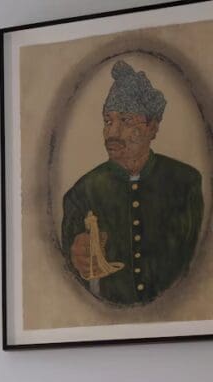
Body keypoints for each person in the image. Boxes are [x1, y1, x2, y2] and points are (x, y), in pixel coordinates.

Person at [61, 59, 203, 306]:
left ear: (152, 127)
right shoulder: (81, 192)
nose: (112, 133)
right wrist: (77, 256)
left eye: (126, 120)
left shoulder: (185, 183)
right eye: (107, 121)